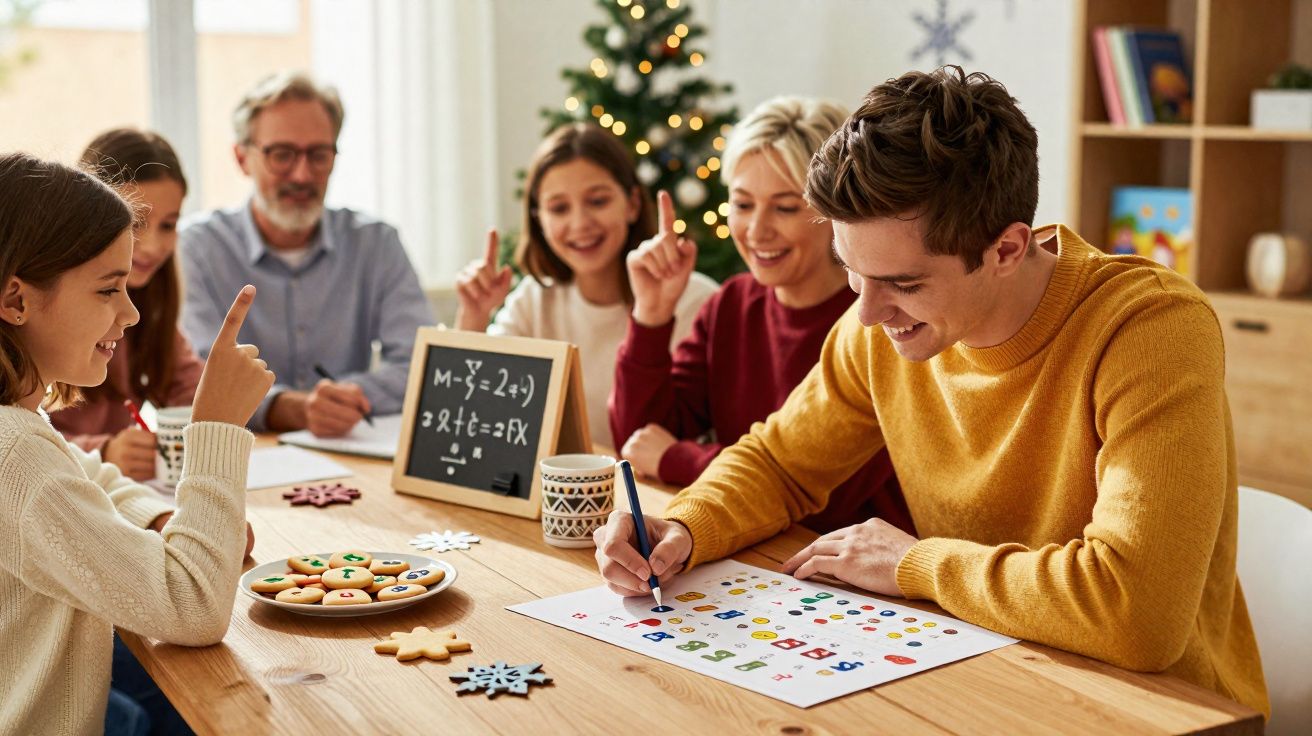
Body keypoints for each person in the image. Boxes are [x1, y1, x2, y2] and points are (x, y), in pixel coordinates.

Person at [593, 67, 1269, 716]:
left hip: (1156, 708)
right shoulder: (884, 326)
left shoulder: (1148, 329)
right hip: (981, 672)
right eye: (853, 273)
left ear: (1006, 249)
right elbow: (779, 463)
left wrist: (917, 565)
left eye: (904, 284)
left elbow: (1136, 613)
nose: (865, 314)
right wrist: (684, 524)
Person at [0, 152, 274, 734]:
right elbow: (194, 604)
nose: (130, 313)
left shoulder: (17, 429)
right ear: (16, 301)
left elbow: (84, 472)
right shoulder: (16, 457)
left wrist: (158, 515)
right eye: (107, 290)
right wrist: (218, 428)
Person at [609, 97, 910, 535]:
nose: (756, 230)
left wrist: (681, 459)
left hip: (852, 577)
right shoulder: (732, 305)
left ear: (837, 212)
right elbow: (637, 445)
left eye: (786, 207)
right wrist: (651, 315)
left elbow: (821, 497)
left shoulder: (881, 320)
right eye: (743, 204)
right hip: (753, 555)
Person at [179, 70, 432, 437]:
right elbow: (194, 378)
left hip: (349, 450)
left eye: (318, 155)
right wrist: (290, 409)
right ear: (242, 158)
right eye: (282, 154)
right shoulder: (197, 248)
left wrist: (341, 401)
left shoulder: (376, 243)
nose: (302, 174)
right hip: (242, 456)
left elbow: (418, 365)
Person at [455, 123, 717, 446]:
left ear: (633, 204)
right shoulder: (535, 299)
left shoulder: (698, 302)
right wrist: (473, 317)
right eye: (559, 208)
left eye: (597, 201)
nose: (579, 224)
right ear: (539, 219)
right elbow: (472, 416)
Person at [48, 129, 204, 481]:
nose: (150, 246)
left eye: (169, 225)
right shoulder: (47, 306)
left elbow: (190, 393)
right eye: (136, 223)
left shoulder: (148, 303)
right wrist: (103, 451)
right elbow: (17, 437)